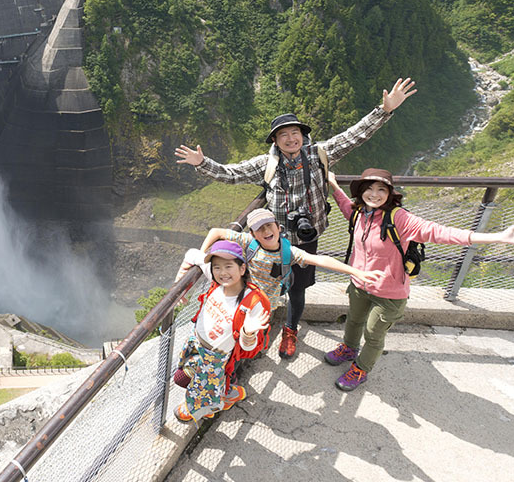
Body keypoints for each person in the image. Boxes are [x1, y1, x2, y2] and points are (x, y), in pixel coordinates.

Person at [175, 77, 417, 358]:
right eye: (284, 135)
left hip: (305, 240)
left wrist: (384, 110)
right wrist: (202, 164)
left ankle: (290, 331)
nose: (291, 139)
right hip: (270, 241)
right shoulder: (265, 164)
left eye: (295, 133)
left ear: (303, 135)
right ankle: (254, 329)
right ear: (276, 141)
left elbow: (354, 136)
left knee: (298, 290)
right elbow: (231, 174)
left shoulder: (318, 154)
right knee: (262, 285)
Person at [325, 168, 514, 391]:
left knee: (373, 333)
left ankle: (361, 368)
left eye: (381, 189)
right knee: (354, 321)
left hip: (389, 292)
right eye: (369, 189)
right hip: (359, 283)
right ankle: (349, 348)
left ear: (389, 194)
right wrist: (334, 185)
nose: (374, 194)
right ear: (361, 192)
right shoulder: (359, 214)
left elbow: (439, 232)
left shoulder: (400, 218)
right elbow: (345, 205)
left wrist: (496, 237)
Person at [184, 208, 385, 353]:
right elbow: (215, 233)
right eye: (259, 229)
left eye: (268, 226)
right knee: (233, 334)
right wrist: (203, 257)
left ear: (278, 228)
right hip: (241, 298)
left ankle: (243, 356)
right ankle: (231, 361)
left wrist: (355, 272)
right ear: (252, 233)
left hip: (263, 305)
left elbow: (320, 259)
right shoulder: (248, 242)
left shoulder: (289, 252)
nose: (265, 232)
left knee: (249, 337)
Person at [172, 240, 271, 423]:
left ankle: (204, 407)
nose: (223, 272)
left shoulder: (252, 303)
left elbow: (247, 348)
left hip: (214, 356)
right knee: (188, 379)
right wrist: (180, 286)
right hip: (196, 343)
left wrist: (248, 333)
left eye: (228, 266)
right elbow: (192, 253)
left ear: (242, 269)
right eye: (217, 267)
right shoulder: (218, 281)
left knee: (184, 381)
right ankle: (227, 394)